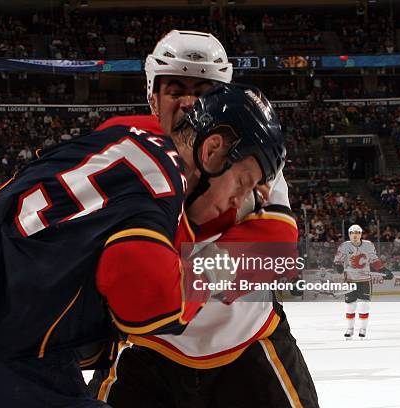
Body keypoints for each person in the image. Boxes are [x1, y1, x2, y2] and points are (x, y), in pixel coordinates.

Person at [0, 83, 272, 407]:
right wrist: (219, 264)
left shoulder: (112, 140)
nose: (237, 202)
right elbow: (151, 304)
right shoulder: (163, 181)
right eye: (242, 181)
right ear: (214, 149)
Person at [93, 30, 318, 408]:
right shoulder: (120, 147)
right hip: (145, 350)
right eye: (175, 89)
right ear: (152, 97)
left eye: (202, 90)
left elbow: (275, 246)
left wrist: (175, 280)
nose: (188, 102)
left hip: (247, 343)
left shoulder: (249, 147)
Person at [334, 224, 393, 339]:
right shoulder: (344, 246)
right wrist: (338, 266)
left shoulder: (368, 245)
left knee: (364, 306)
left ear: (360, 234)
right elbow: (338, 261)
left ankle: (363, 329)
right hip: (350, 280)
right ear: (349, 234)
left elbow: (374, 260)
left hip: (365, 280)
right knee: (350, 306)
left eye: (357, 233)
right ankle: (350, 329)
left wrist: (383, 270)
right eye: (352, 233)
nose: (354, 235)